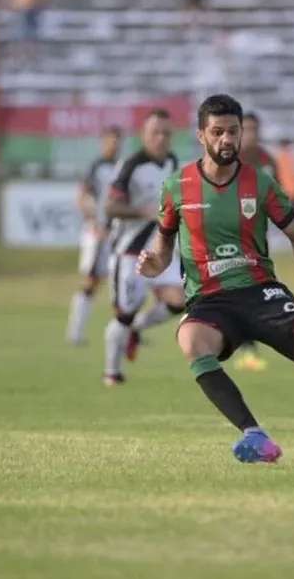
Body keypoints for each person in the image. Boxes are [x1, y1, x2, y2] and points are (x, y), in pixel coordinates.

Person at [137, 94, 294, 466]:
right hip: (210, 300)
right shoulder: (177, 186)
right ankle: (254, 434)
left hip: (260, 292)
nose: (226, 140)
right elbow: (164, 245)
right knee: (191, 340)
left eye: (232, 132)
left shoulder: (261, 183)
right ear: (201, 135)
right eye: (217, 132)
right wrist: (155, 262)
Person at [102, 109, 184, 385]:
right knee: (125, 312)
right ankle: (112, 372)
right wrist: (143, 211)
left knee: (179, 300)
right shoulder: (131, 164)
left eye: (166, 133)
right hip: (129, 251)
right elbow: (110, 207)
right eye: (155, 133)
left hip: (161, 250)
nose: (161, 138)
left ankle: (137, 330)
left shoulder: (173, 162)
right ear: (144, 135)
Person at [230, 111, 278, 372]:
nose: (251, 134)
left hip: (256, 238)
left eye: (254, 129)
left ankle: (241, 345)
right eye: (246, 129)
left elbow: (277, 197)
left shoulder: (266, 161)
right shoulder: (227, 159)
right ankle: (246, 349)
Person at [67, 126, 122, 346]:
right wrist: (91, 218)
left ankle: (126, 332)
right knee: (91, 281)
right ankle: (75, 333)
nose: (114, 145)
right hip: (98, 233)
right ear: (103, 142)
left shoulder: (122, 167)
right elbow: (81, 196)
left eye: (117, 141)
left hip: (116, 232)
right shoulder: (96, 167)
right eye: (110, 140)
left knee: (121, 281)